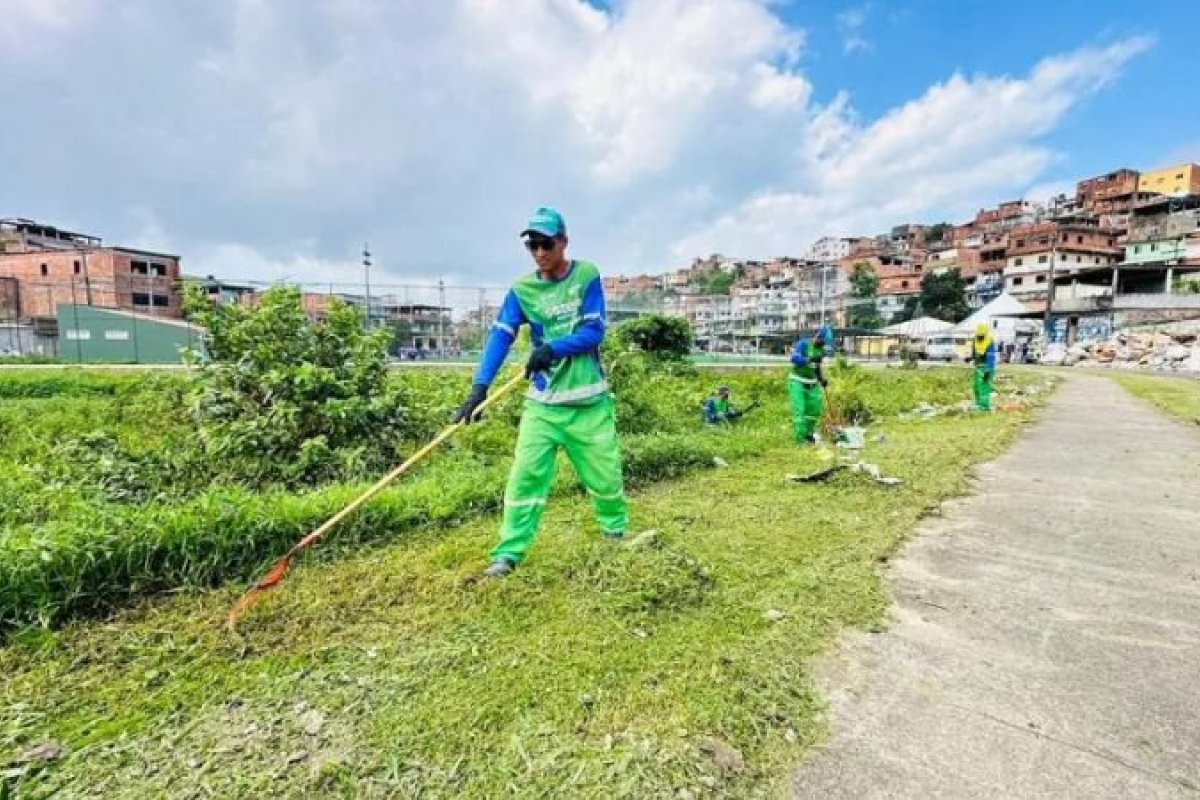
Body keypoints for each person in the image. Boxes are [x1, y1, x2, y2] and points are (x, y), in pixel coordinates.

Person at [454, 207, 628, 579]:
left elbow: (594, 332)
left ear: (563, 242)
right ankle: (508, 554)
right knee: (524, 478)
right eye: (532, 245)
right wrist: (479, 388)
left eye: (546, 244)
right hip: (543, 407)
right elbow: (500, 335)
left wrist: (552, 349)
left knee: (606, 478)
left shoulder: (586, 276)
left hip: (588, 403)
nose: (539, 252)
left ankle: (614, 532)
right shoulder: (522, 290)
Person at [789, 325, 832, 444]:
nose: (823, 345)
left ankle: (808, 434)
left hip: (812, 383)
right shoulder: (803, 344)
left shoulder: (822, 351)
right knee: (800, 410)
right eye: (822, 342)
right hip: (797, 381)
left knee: (814, 410)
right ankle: (800, 439)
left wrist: (821, 379)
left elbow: (816, 367)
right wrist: (810, 359)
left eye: (825, 344)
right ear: (818, 336)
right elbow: (794, 359)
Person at [971, 322, 997, 411]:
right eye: (978, 335)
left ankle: (984, 407)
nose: (979, 337)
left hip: (986, 369)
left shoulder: (989, 342)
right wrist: (970, 358)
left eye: (981, 336)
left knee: (984, 388)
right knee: (976, 387)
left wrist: (988, 371)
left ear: (985, 334)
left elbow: (991, 358)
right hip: (978, 368)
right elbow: (974, 354)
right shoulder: (975, 340)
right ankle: (978, 404)